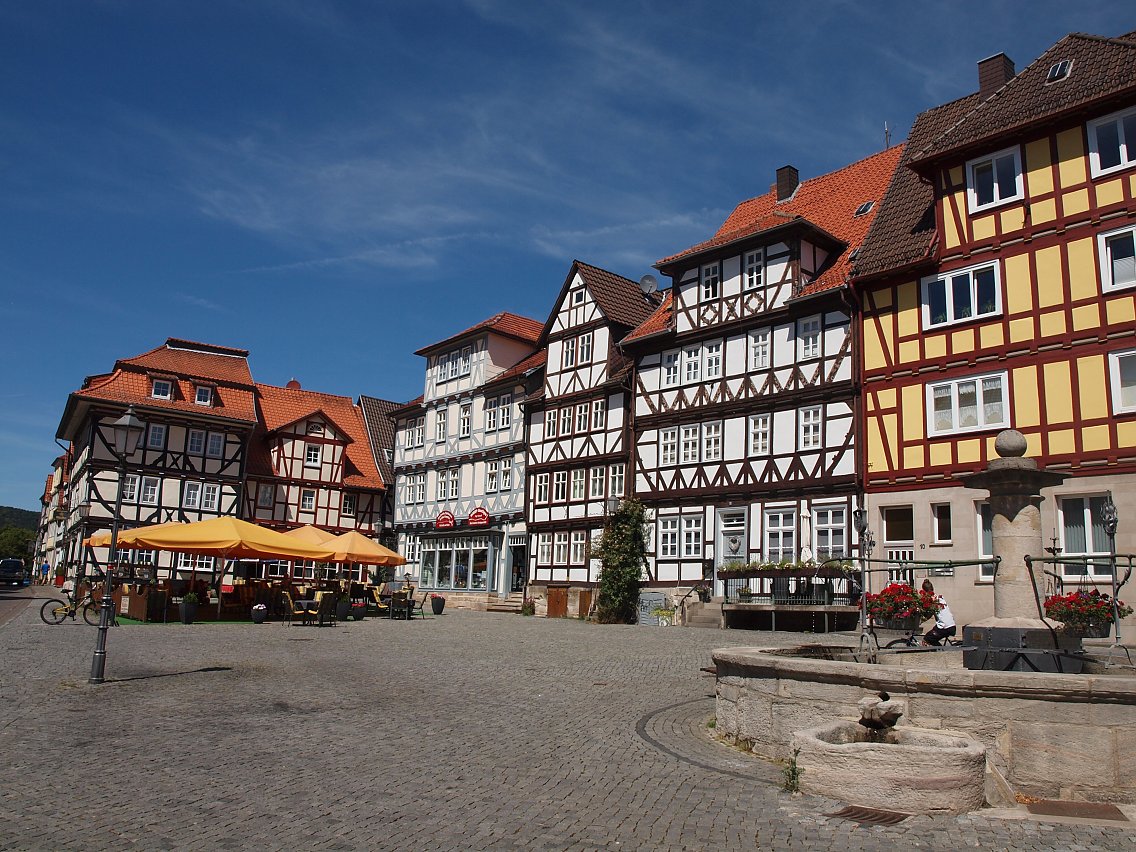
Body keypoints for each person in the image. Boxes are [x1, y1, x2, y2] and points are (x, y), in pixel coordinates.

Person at [922, 579, 956, 646]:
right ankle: (939, 650)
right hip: (950, 625)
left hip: (945, 627)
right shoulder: (940, 598)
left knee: (927, 639)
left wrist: (920, 620)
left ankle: (940, 652)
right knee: (931, 635)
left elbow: (929, 615)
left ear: (924, 591)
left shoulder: (933, 601)